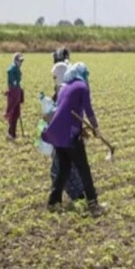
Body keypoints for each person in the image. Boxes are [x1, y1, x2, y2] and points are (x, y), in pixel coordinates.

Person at [41, 62, 107, 217]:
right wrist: (95, 127)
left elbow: (65, 112)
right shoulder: (82, 87)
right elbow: (88, 109)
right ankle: (93, 204)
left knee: (64, 168)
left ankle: (53, 201)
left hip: (57, 133)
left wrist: (82, 128)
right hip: (69, 136)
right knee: (84, 169)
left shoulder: (64, 87)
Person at [4, 52, 25, 140]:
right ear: (15, 60)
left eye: (21, 61)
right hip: (13, 92)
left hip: (17, 91)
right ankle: (10, 133)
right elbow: (9, 71)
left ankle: (13, 133)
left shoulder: (16, 68)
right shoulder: (12, 68)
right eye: (19, 61)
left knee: (16, 113)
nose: (21, 63)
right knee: (13, 113)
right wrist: (14, 82)